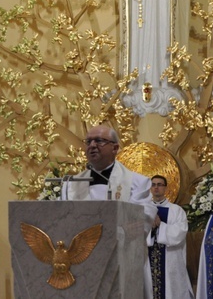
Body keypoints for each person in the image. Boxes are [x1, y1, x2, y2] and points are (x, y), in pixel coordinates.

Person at [62, 124, 157, 298]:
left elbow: (140, 221)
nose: (92, 145)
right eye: (88, 141)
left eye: (99, 140)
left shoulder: (138, 183)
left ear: (115, 148)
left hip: (122, 260)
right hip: (83, 262)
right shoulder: (70, 185)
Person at [147, 175, 194, 299]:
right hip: (147, 259)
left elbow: (180, 232)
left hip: (170, 260)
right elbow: (135, 233)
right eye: (153, 185)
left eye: (160, 184)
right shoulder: (143, 210)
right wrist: (149, 228)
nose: (156, 187)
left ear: (166, 188)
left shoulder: (176, 210)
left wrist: (160, 225)